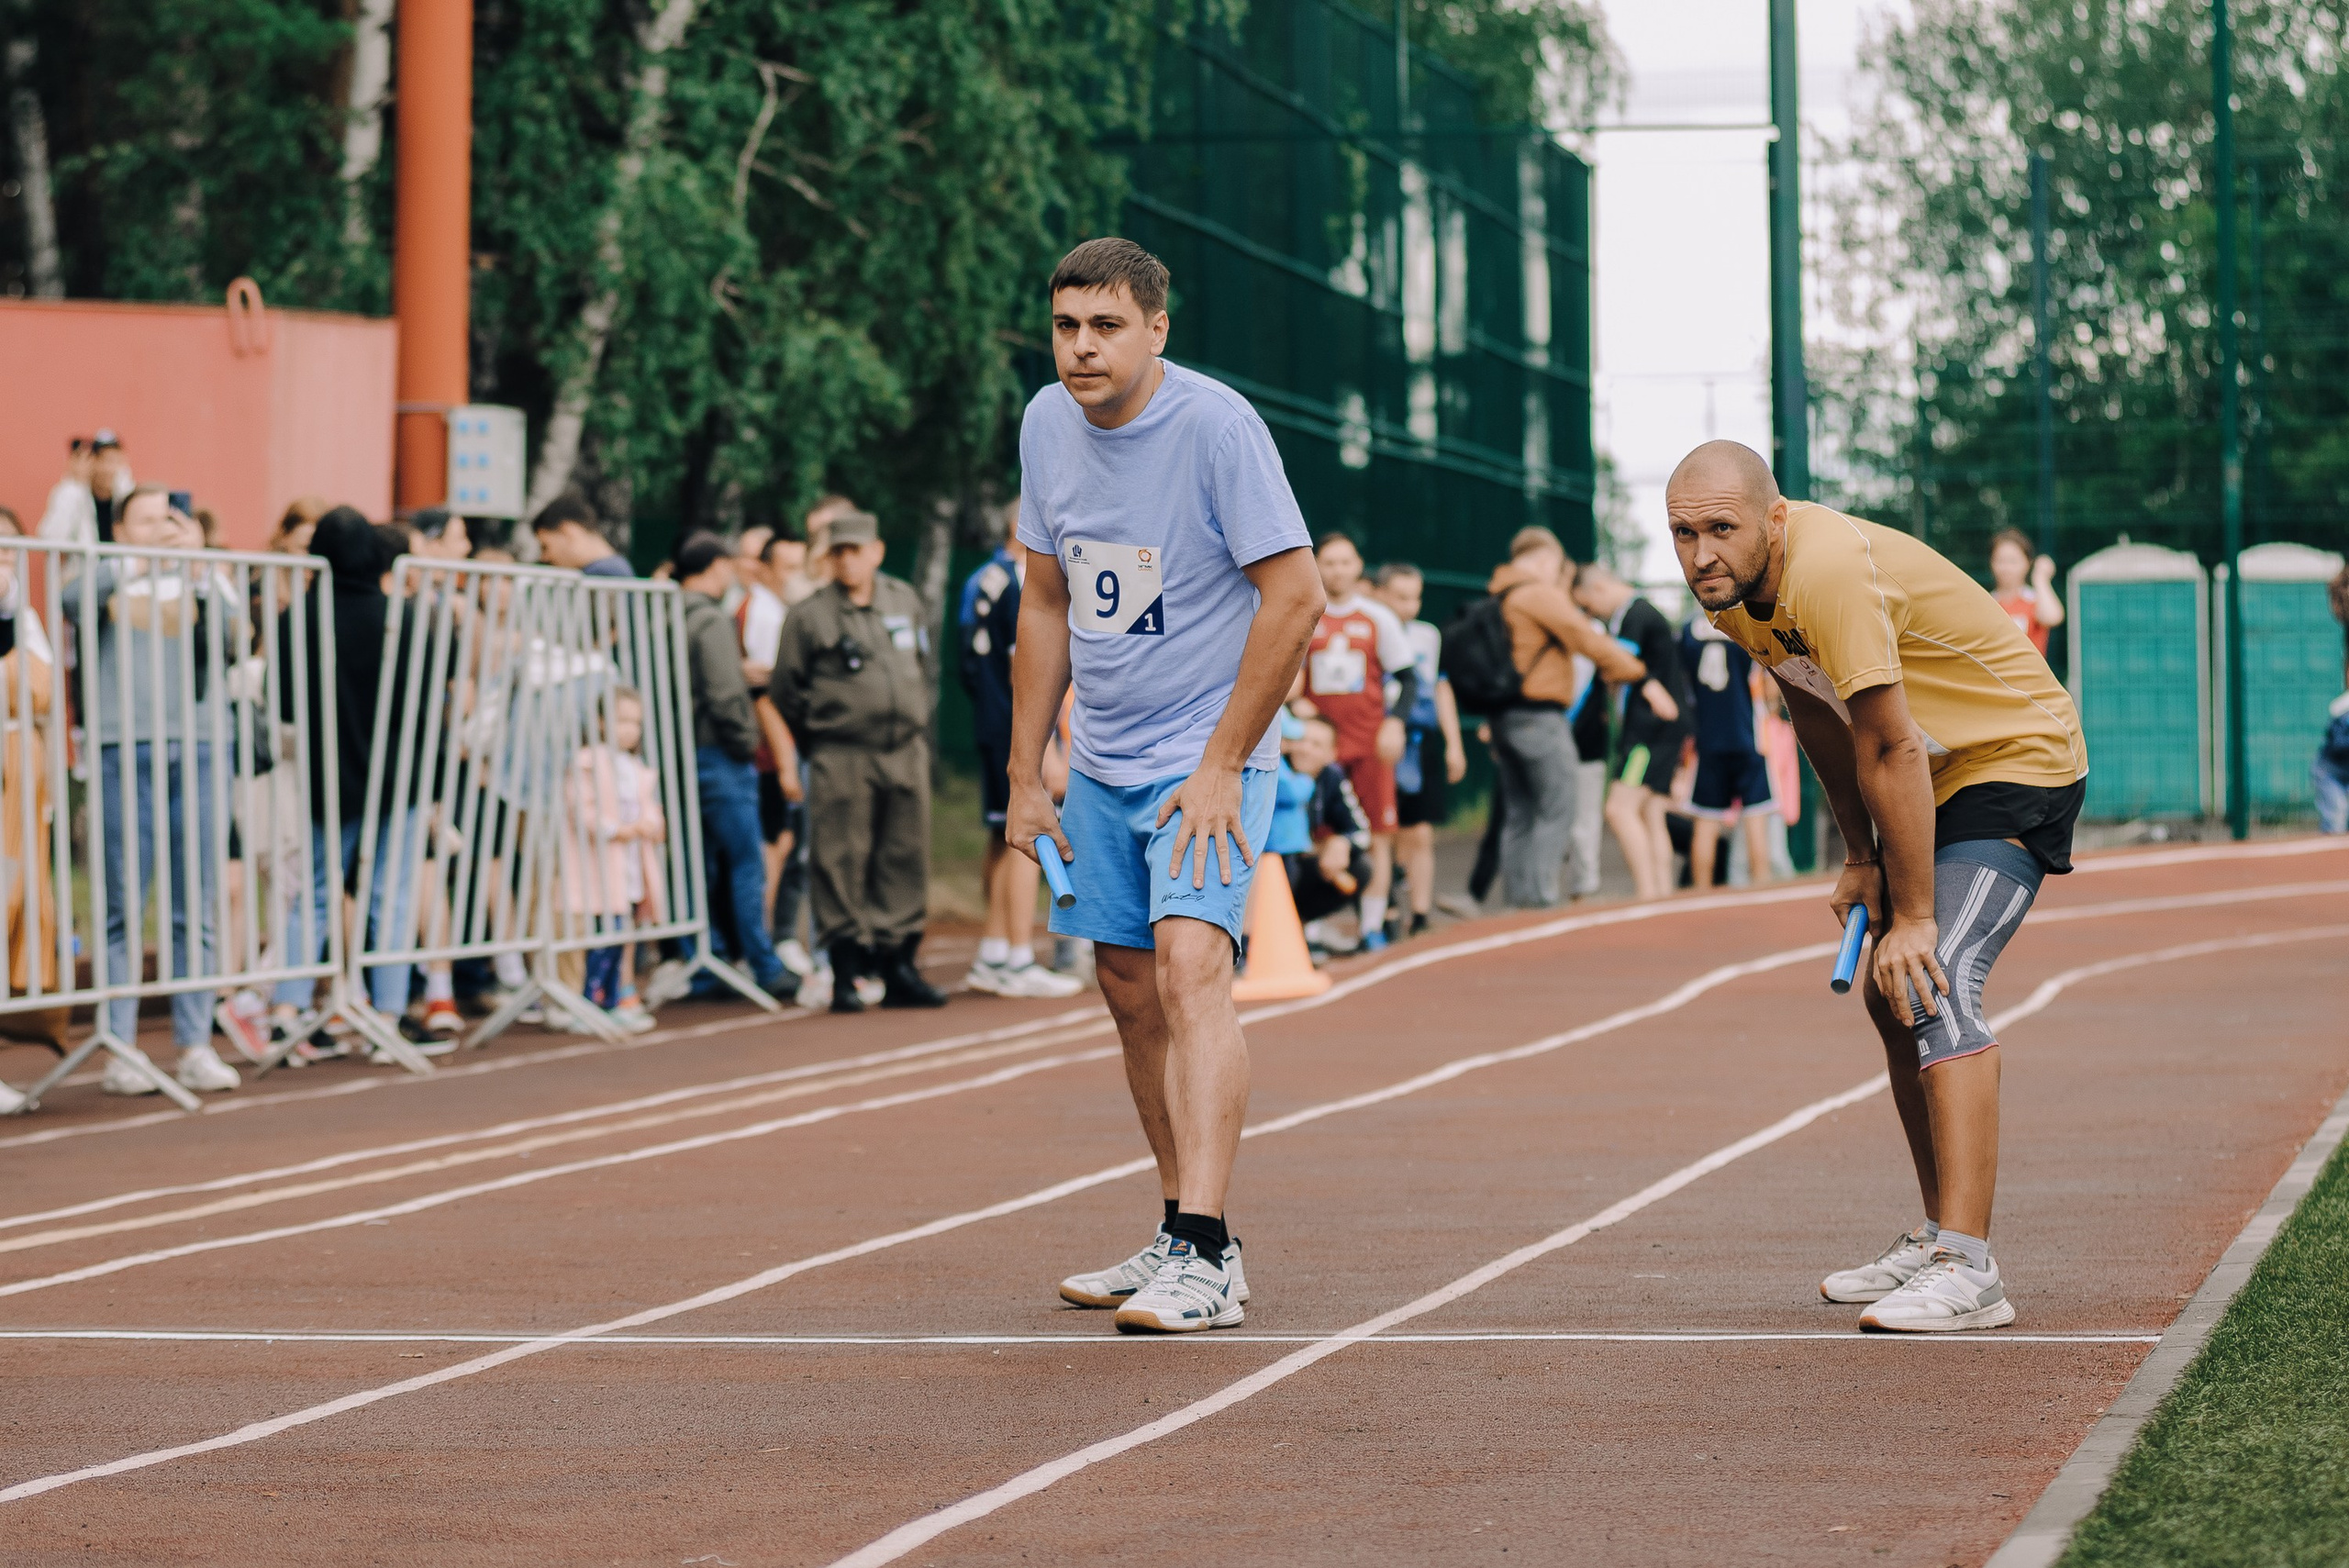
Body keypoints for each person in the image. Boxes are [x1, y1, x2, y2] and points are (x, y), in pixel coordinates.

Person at [1668, 439, 2087, 1332]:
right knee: (1887, 992)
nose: (1700, 553)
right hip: (1939, 772)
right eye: (1681, 533)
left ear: (1771, 520)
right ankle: (1940, 1232)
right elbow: (1818, 713)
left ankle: (1970, 1269)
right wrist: (1858, 852)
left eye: (1719, 528)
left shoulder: (1825, 572)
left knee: (1934, 973)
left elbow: (1888, 742)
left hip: (2016, 758)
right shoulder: (1737, 599)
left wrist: (1918, 915)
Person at [1008, 235, 1323, 1333]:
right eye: (1064, 326)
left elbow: (1296, 594)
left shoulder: (1215, 426)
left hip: (1207, 748)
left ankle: (1203, 1246)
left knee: (1194, 968)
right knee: (1128, 986)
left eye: (1104, 326)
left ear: (1156, 329)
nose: (1081, 347)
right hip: (1100, 754)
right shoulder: (1045, 423)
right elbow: (1045, 602)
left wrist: (1222, 764)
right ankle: (1182, 1231)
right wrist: (1023, 772)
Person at [62, 486, 246, 1094]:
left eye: (169, 520)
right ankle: (120, 1046)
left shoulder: (204, 576)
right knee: (121, 902)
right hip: (123, 745)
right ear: (120, 527)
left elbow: (230, 636)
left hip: (198, 746)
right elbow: (69, 601)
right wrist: (133, 561)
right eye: (146, 520)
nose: (160, 530)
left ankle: (194, 1042)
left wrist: (197, 561)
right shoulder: (103, 570)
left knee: (195, 900)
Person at [768, 509, 947, 1012]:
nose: (848, 561)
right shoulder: (810, 616)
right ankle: (846, 969)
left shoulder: (903, 599)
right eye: (838, 552)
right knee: (839, 857)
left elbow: (923, 665)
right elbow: (786, 690)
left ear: (877, 551)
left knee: (904, 854)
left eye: (856, 551)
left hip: (904, 748)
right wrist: (825, 729)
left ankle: (898, 964)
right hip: (842, 750)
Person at [1480, 528, 1643, 909]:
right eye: (1556, 567)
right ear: (1544, 560)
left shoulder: (1499, 592)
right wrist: (1637, 671)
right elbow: (1582, 635)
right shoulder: (1536, 593)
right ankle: (1539, 902)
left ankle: (1518, 904)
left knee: (1520, 814)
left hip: (1506, 716)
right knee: (1558, 810)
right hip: (1540, 716)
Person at [958, 512, 1084, 998]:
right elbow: (1024, 666)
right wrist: (1044, 747)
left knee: (998, 834)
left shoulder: (986, 578)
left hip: (996, 722)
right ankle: (1016, 956)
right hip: (1013, 726)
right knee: (1027, 830)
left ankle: (993, 950)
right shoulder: (1014, 581)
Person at [674, 533, 798, 1004]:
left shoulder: (660, 616)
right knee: (748, 860)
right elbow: (724, 693)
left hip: (681, 753)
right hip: (719, 756)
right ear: (714, 567)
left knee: (698, 864)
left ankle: (705, 960)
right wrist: (746, 741)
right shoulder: (710, 621)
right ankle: (764, 965)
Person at [1293, 533, 1415, 949]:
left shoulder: (1376, 618)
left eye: (1345, 562)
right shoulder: (1305, 613)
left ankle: (1372, 926)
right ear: (1316, 566)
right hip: (1320, 748)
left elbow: (1408, 676)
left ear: (1358, 566)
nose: (1337, 570)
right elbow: (1291, 677)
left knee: (1378, 833)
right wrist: (1298, 704)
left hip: (1368, 743)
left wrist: (1394, 723)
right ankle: (1309, 926)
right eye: (1328, 562)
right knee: (1314, 832)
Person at [1572, 562, 1692, 901]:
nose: (1590, 613)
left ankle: (1648, 893)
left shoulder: (1634, 615)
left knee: (1619, 808)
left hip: (1649, 731)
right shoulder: (1640, 614)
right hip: (1659, 727)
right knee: (1652, 810)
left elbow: (1616, 665)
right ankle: (1660, 893)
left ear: (1597, 589)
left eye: (1586, 605)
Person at [562, 685, 665, 1032]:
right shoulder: (587, 760)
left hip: (630, 867)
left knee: (622, 936)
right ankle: (591, 1003)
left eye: (635, 722)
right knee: (603, 938)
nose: (629, 729)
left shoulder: (636, 766)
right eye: (622, 721)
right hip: (601, 870)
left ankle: (614, 998)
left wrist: (648, 824)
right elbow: (583, 811)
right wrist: (617, 829)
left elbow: (650, 809)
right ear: (602, 722)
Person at [1374, 562, 1464, 937]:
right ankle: (1386, 908)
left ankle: (1422, 912)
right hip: (1381, 739)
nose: (1410, 606)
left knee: (1420, 830)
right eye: (1400, 597)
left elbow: (1440, 688)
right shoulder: (1371, 628)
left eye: (1416, 597)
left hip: (1420, 740)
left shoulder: (1428, 635)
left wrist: (1454, 744)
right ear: (1380, 595)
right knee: (1385, 831)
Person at [1680, 616, 1776, 889]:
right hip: (1748, 736)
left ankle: (1702, 894)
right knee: (1756, 818)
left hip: (1708, 738)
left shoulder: (1689, 632)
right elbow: (1768, 684)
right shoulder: (1746, 626)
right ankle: (1762, 889)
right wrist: (1771, 709)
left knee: (1706, 821)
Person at [1279, 714, 1372, 935]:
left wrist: (1342, 843)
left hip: (1298, 864)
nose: (1305, 749)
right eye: (1301, 740)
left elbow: (1361, 830)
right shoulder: (1276, 769)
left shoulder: (1332, 777)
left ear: (1331, 754)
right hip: (1267, 863)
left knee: (1361, 868)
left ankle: (1301, 926)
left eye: (1316, 744)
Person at [1987, 528, 2064, 658]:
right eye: (2000, 560)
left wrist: (2040, 578)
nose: (2006, 568)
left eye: (2013, 561)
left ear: (2028, 563)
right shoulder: (1987, 602)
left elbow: (2053, 617)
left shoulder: (2035, 600)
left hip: (2031, 677)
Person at [530, 491, 635, 578]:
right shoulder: (616, 568)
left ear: (568, 532)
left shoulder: (603, 574)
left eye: (545, 547)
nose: (544, 558)